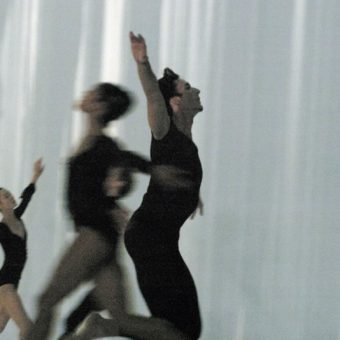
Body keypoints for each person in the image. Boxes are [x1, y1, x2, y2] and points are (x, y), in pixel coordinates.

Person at [27, 82, 194, 340]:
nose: (86, 94)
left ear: (100, 105)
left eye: (92, 93)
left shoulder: (104, 146)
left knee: (47, 300)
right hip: (102, 238)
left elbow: (127, 160)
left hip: (94, 236)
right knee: (122, 319)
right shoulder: (97, 143)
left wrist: (155, 171)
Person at [124, 32, 204, 340]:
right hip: (150, 239)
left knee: (179, 329)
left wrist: (192, 194)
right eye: (187, 87)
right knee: (182, 330)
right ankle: (107, 325)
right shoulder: (164, 131)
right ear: (175, 102)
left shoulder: (184, 141)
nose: (196, 89)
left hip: (159, 240)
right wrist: (143, 62)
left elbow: (179, 173)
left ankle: (107, 324)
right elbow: (152, 95)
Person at [0, 159, 44, 339]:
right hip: (5, 287)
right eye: (4, 196)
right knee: (28, 328)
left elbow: (26, 197)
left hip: (12, 285)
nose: (10, 196)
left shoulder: (18, 217)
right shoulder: (1, 228)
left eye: (8, 193)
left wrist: (35, 176)